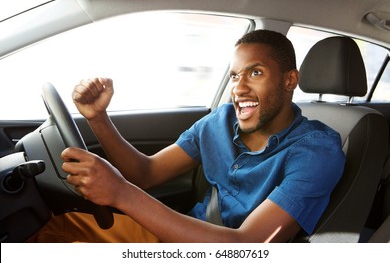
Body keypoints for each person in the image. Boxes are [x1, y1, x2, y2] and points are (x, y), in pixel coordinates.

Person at [29, 29, 345, 243]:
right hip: (180, 233)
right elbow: (146, 173)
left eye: (256, 73)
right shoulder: (220, 121)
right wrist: (98, 118)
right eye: (235, 75)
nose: (238, 87)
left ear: (290, 80)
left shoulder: (317, 151)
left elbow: (249, 245)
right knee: (52, 230)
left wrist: (121, 193)